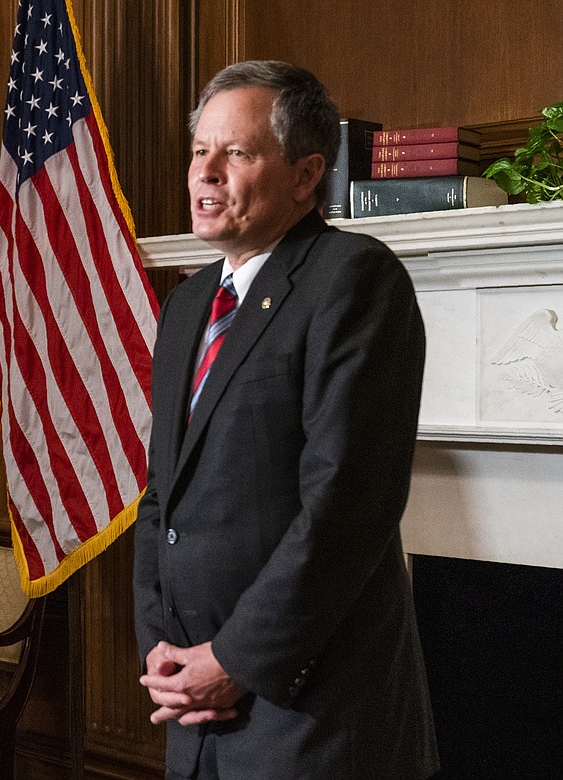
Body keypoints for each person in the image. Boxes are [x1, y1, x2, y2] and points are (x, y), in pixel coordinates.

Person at [132, 61, 439, 779]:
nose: (205, 172)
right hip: (194, 710)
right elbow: (160, 498)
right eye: (199, 150)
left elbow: (346, 507)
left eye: (235, 153)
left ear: (306, 176)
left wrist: (234, 659)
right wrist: (163, 648)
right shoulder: (187, 305)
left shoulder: (355, 279)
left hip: (312, 717)